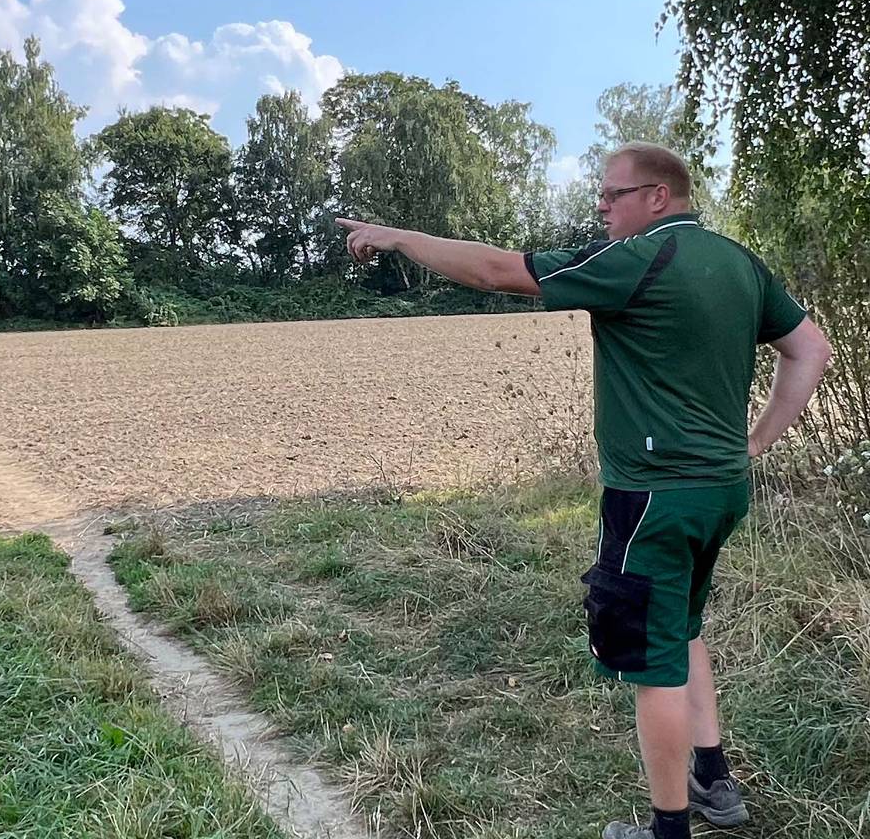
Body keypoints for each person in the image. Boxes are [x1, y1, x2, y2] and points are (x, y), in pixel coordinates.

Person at [336, 143, 831, 839]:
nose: (601, 206)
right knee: (680, 629)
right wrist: (753, 442)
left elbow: (498, 270)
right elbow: (811, 348)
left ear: (658, 197)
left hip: (653, 496)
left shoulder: (640, 259)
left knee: (651, 663)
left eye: (612, 195)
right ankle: (713, 781)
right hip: (719, 488)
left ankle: (669, 829)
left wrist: (399, 238)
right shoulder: (739, 262)